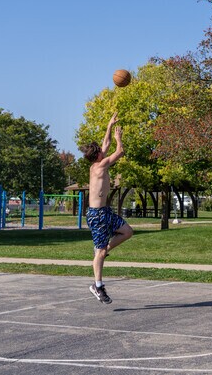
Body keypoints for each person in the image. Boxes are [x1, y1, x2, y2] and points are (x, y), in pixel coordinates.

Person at [80, 112, 133, 304]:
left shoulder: (97, 163)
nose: (104, 150)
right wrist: (120, 139)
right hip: (97, 215)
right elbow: (119, 151)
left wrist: (110, 125)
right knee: (100, 252)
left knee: (127, 232)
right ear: (98, 156)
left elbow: (106, 144)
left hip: (105, 213)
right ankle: (98, 286)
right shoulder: (101, 166)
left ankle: (102, 252)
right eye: (102, 151)